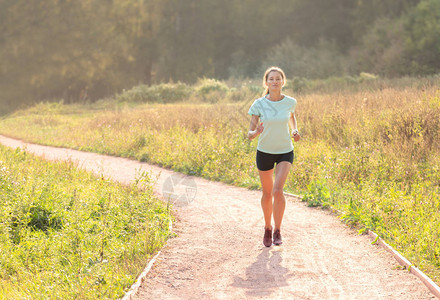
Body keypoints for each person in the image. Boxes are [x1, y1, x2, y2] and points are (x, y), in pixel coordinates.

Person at [247, 66, 300, 247]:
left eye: (278, 78)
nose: (275, 82)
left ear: (283, 81)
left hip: (285, 149)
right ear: (266, 82)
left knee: (278, 190)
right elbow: (249, 133)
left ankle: (278, 230)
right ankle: (267, 228)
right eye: (271, 79)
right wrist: (256, 132)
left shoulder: (290, 102)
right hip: (265, 152)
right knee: (267, 193)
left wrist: (295, 130)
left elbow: (292, 117)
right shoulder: (259, 104)